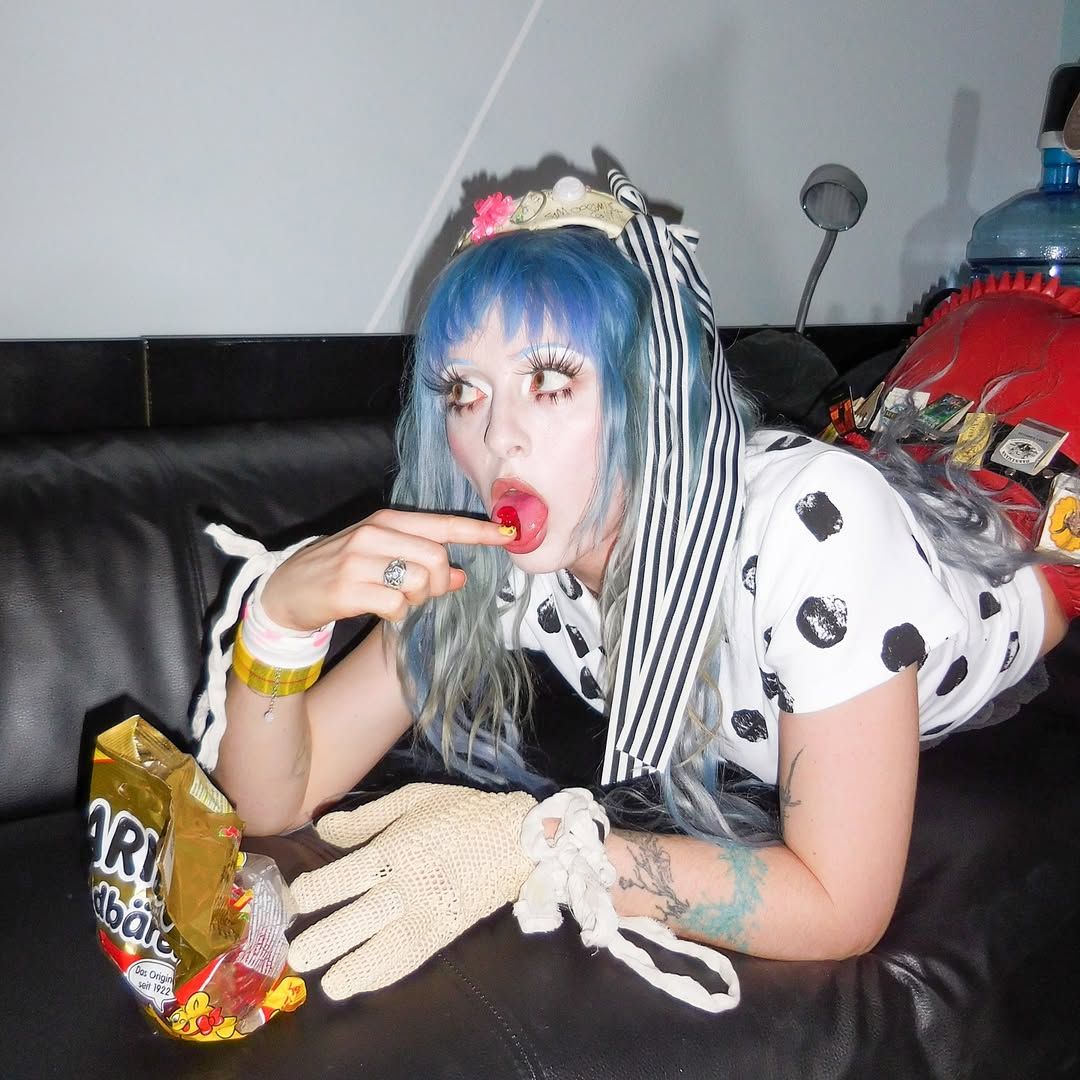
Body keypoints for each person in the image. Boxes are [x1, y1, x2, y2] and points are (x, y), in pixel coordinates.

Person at [195, 171, 1075, 973]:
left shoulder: (816, 530)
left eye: (549, 381)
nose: (496, 438)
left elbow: (840, 907)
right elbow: (274, 800)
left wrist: (545, 852)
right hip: (907, 426)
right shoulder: (503, 562)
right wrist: (281, 622)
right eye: (464, 392)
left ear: (647, 387)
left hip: (1041, 465)